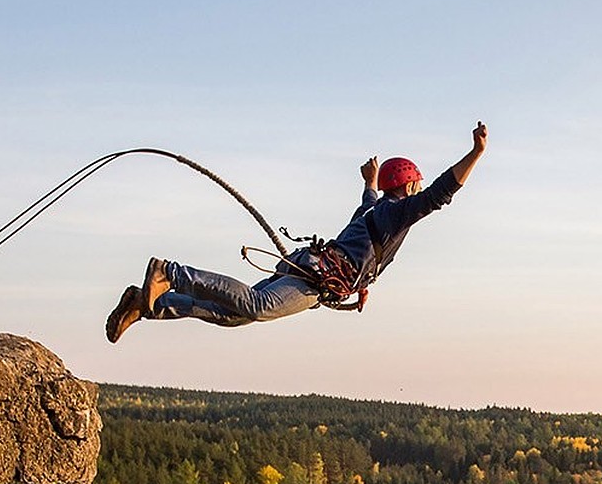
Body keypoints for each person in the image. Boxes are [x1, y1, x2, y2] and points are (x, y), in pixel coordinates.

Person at [106, 121, 488, 342]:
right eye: (415, 185)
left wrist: (370, 182)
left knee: (234, 316)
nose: (418, 191)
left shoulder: (375, 209)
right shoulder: (397, 213)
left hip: (314, 272)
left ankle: (147, 305)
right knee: (255, 308)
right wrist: (475, 154)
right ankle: (169, 272)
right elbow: (440, 194)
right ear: (407, 186)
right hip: (313, 277)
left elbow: (367, 206)